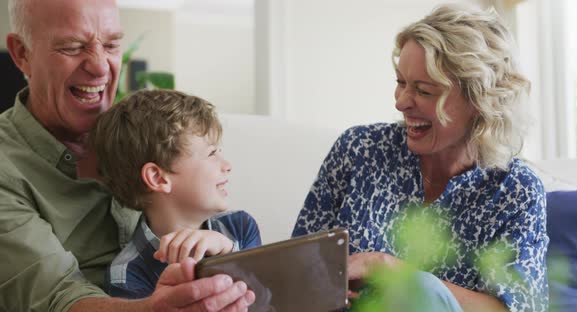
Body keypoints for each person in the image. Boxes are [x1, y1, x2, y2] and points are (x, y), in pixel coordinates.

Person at [0, 0, 255, 310]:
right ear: (21, 53)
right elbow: (56, 298)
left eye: (111, 44)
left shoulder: (148, 129)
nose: (99, 66)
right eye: (71, 47)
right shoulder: (7, 167)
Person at [293, 4, 547, 312]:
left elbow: (513, 308)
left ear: (479, 99)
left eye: (424, 91)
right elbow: (295, 271)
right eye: (400, 82)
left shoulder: (515, 190)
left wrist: (390, 269)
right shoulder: (358, 149)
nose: (401, 103)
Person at [89, 89, 261, 299]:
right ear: (158, 178)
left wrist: (228, 254)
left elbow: (266, 301)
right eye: (211, 153)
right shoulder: (127, 276)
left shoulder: (240, 228)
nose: (227, 165)